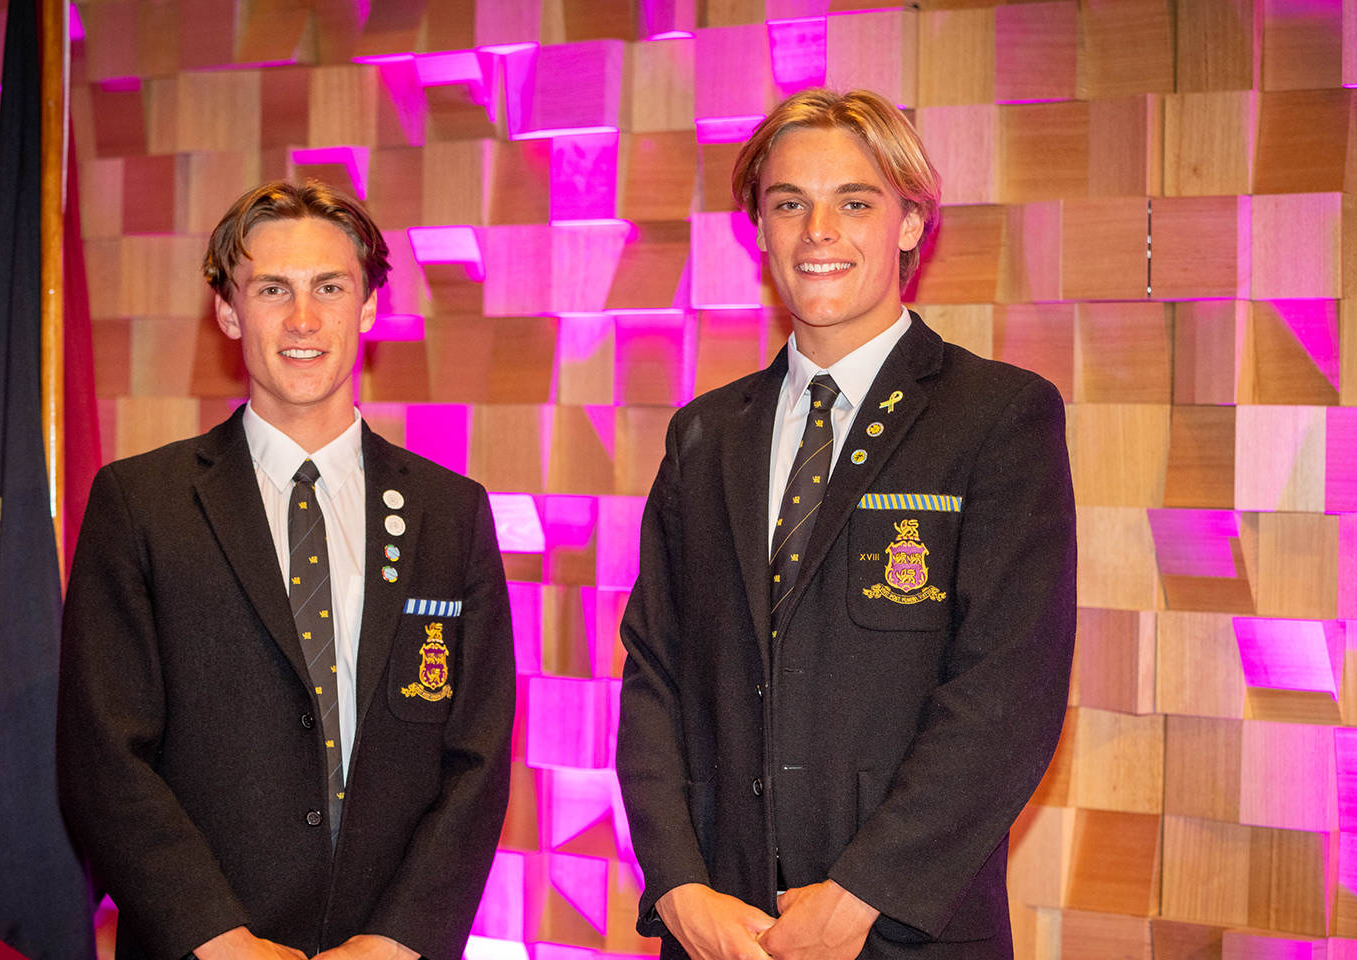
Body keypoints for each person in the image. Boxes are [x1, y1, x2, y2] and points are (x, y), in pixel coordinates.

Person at [616, 89, 1076, 960]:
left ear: (910, 223)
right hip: (719, 933)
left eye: (854, 202)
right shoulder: (706, 433)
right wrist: (678, 888)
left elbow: (1006, 693)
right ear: (759, 228)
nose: (818, 230)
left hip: (905, 929)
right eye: (790, 202)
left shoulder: (996, 417)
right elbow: (656, 674)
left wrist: (863, 892)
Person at [58, 180, 515, 960]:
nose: (303, 320)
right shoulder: (141, 504)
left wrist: (398, 940)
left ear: (368, 308)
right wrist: (216, 937)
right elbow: (104, 755)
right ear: (229, 312)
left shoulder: (453, 512)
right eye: (272, 289)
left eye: (329, 288)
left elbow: (478, 755)